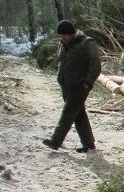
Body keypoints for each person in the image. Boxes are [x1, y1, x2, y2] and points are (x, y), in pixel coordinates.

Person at [42, 20, 102, 153]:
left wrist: (88, 82)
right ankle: (89, 144)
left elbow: (95, 65)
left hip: (80, 86)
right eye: (60, 35)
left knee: (68, 113)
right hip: (66, 86)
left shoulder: (87, 43)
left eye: (65, 35)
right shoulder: (63, 44)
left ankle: (56, 140)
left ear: (73, 33)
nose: (62, 37)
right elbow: (61, 62)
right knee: (78, 114)